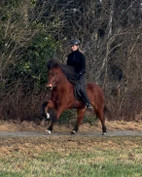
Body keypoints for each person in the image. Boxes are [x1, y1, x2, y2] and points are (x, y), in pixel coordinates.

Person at [66, 39, 93, 109]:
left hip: (80, 75)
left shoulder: (81, 56)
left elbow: (83, 67)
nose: (72, 47)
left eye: (73, 46)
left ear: (77, 46)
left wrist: (79, 74)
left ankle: (87, 102)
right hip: (71, 75)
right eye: (71, 46)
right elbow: (68, 66)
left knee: (80, 88)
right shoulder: (69, 56)